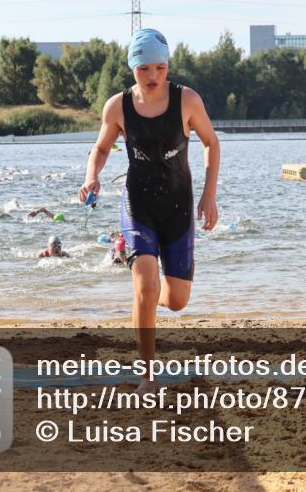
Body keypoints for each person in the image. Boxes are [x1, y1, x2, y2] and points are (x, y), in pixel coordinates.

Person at [78, 28, 221, 394]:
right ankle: (147, 375)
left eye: (160, 67)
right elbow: (101, 147)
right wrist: (92, 176)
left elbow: (210, 142)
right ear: (133, 69)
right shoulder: (118, 107)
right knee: (144, 281)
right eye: (145, 69)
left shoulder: (186, 100)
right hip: (138, 202)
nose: (154, 76)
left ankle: (151, 292)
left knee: (176, 301)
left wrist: (209, 195)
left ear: (168, 65)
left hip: (178, 206)